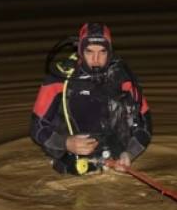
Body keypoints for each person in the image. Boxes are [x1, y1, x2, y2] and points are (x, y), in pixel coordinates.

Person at [30, 22, 152, 175]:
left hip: (115, 160)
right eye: (89, 51)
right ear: (80, 50)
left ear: (110, 52)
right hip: (69, 158)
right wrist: (66, 143)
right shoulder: (59, 78)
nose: (96, 59)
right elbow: (37, 126)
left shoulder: (123, 77)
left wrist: (129, 154)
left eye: (102, 52)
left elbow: (145, 126)